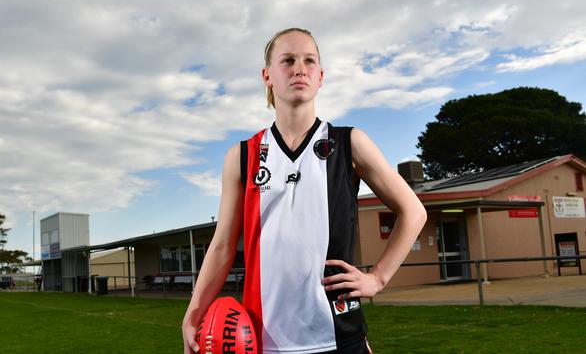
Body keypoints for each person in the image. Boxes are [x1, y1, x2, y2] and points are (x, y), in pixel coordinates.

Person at [182, 28, 427, 353]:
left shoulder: (349, 143)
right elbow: (223, 245)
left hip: (339, 336)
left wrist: (377, 278)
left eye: (309, 61)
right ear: (267, 75)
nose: (300, 68)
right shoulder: (242, 156)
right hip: (262, 340)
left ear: (321, 76)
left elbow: (414, 211)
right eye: (288, 60)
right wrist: (194, 313)